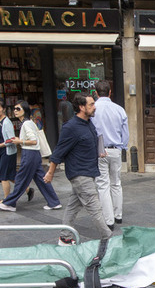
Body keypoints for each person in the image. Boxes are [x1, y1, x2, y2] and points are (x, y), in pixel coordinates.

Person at [44, 93, 111, 243]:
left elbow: (90, 142)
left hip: (89, 171)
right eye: (91, 105)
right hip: (80, 174)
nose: (94, 107)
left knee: (73, 206)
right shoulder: (71, 127)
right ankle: (108, 237)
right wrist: (50, 173)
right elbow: (58, 152)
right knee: (95, 207)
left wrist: (99, 151)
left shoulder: (89, 123)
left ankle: (64, 237)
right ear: (81, 107)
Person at [0, 100, 61, 212]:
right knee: (41, 179)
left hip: (29, 153)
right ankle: (54, 202)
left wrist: (20, 141)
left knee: (21, 179)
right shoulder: (29, 122)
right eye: (14, 109)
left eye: (18, 109)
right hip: (34, 154)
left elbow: (34, 141)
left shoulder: (26, 124)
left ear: (24, 111)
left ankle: (9, 203)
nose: (15, 111)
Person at [92, 80, 128, 229]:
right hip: (115, 149)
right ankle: (118, 215)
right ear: (110, 92)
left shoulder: (93, 109)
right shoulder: (119, 109)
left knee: (103, 185)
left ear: (95, 93)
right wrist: (122, 147)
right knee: (116, 183)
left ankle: (109, 220)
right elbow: (125, 132)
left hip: (100, 149)